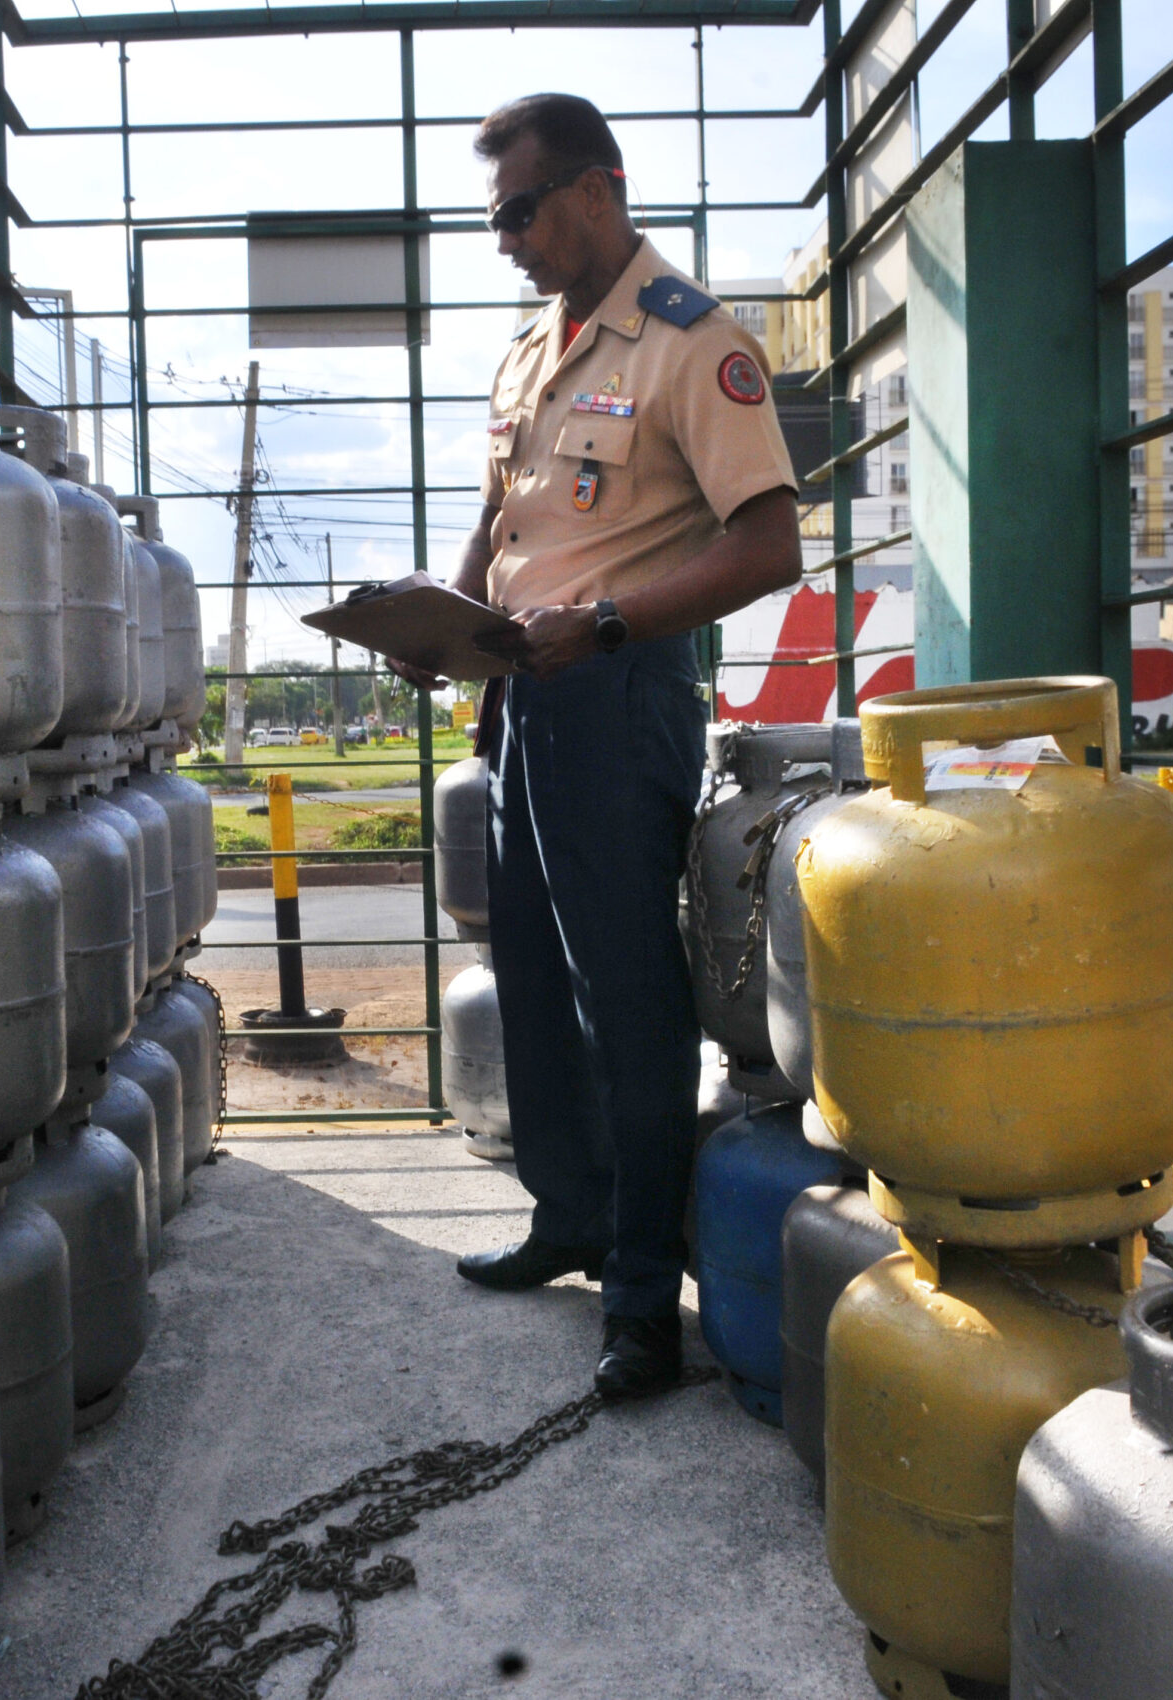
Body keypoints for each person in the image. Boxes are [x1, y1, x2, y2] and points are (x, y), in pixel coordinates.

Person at [393, 94, 802, 1399]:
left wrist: (610, 622)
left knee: (628, 1001)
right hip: (520, 695)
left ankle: (640, 1294)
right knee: (530, 973)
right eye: (493, 216)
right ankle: (567, 1214)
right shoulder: (532, 351)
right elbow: (501, 521)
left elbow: (767, 546)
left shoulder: (693, 344)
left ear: (598, 189)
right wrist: (447, 627)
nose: (504, 237)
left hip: (621, 692)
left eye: (519, 209)